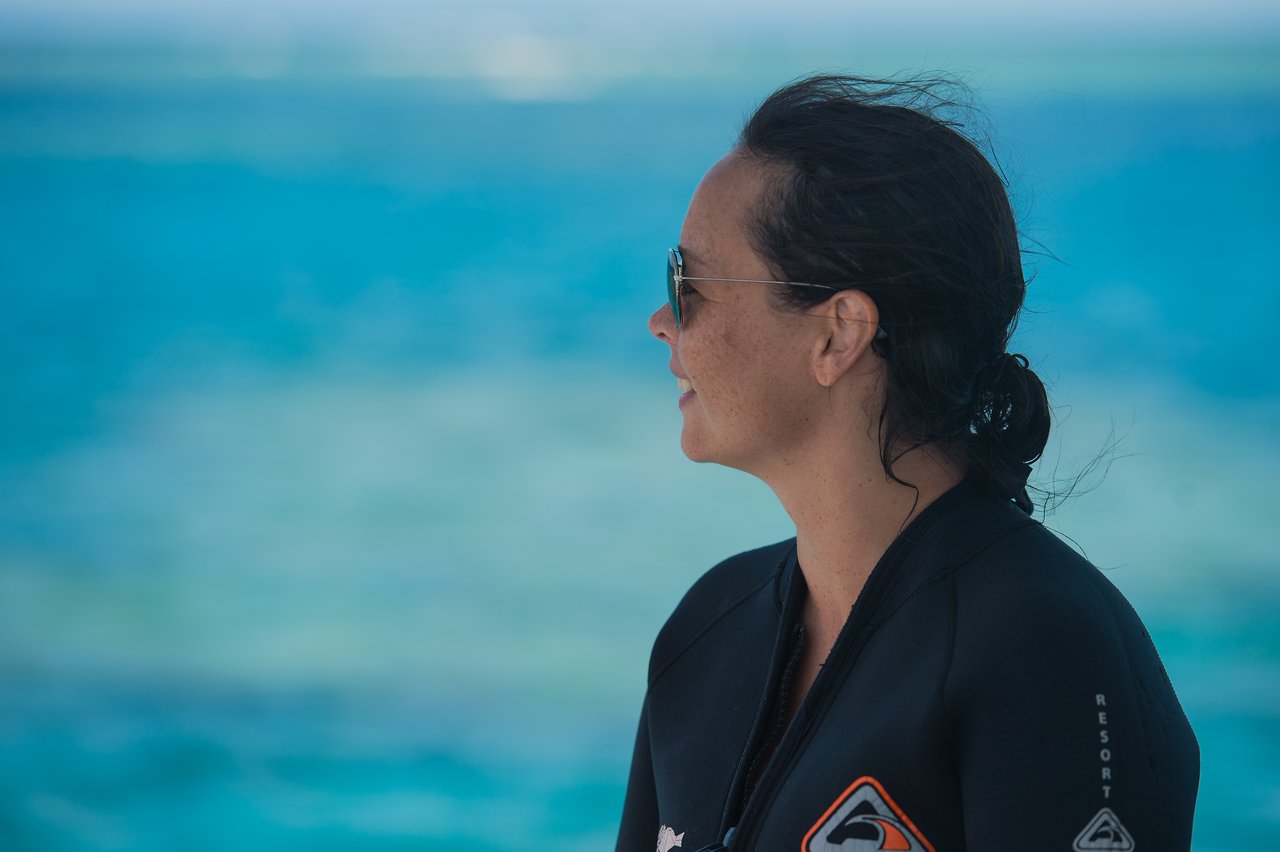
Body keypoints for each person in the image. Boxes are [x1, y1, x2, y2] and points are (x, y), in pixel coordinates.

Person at [615, 75, 1199, 852]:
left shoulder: (1048, 649)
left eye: (687, 284)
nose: (661, 321)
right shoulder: (707, 631)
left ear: (839, 334)